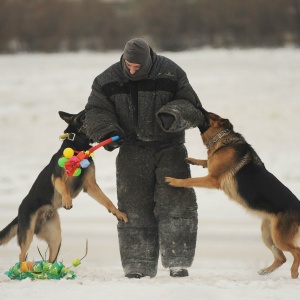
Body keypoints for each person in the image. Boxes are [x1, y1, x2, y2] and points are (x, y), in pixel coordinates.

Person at [84, 38, 207, 278]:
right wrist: (108, 131)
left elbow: (192, 106)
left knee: (177, 204)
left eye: (137, 66)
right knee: (133, 209)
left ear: (149, 61)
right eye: (128, 65)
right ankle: (137, 265)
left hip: (170, 149)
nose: (131, 70)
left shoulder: (171, 72)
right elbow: (95, 111)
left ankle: (178, 262)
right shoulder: (106, 79)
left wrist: (173, 115)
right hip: (131, 151)